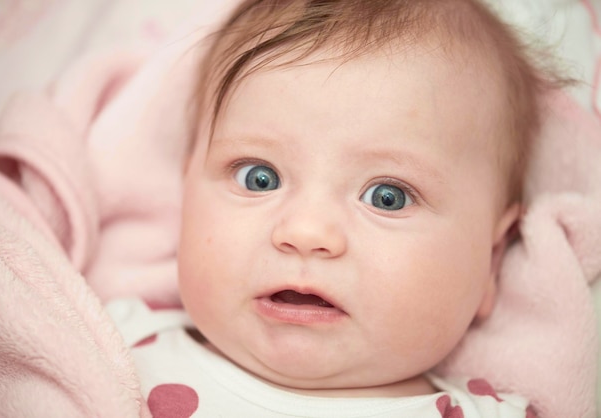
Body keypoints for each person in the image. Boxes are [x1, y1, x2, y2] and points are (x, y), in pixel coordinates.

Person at [105, 0, 567, 416]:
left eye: (389, 196)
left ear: (490, 259)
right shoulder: (111, 347)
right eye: (258, 178)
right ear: (186, 193)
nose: (306, 232)